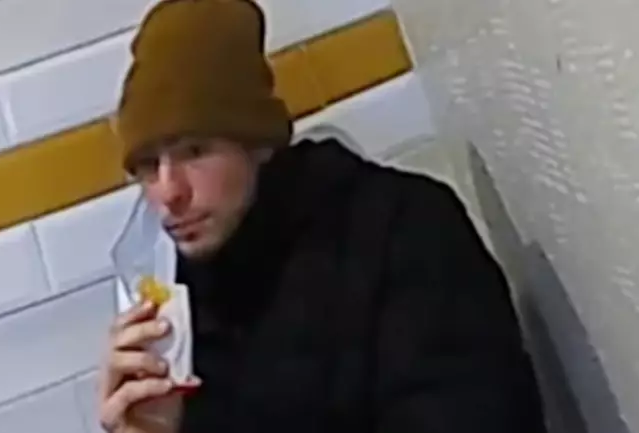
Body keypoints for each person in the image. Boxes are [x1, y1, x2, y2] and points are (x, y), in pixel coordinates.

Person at [98, 0, 548, 432]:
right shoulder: (181, 315)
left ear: (258, 144)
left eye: (195, 151)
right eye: (147, 167)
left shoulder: (402, 231)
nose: (169, 192)